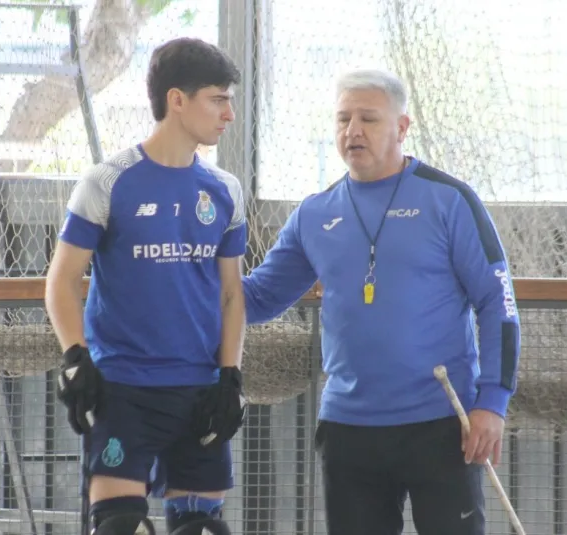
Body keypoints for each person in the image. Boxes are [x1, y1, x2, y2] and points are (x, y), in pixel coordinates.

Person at [241, 69, 522, 535]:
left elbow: (498, 303)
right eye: (343, 119)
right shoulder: (315, 213)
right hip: (349, 430)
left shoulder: (449, 200)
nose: (353, 130)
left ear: (402, 127)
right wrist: (183, 277)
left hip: (442, 424)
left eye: (368, 119)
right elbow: (258, 297)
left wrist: (492, 402)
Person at [45, 37, 248, 535]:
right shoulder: (106, 181)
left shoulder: (225, 190)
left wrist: (230, 378)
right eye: (218, 100)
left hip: (201, 391)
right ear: (177, 100)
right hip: (124, 391)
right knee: (119, 527)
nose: (229, 114)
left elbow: (231, 294)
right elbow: (62, 280)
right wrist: (75, 358)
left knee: (201, 529)